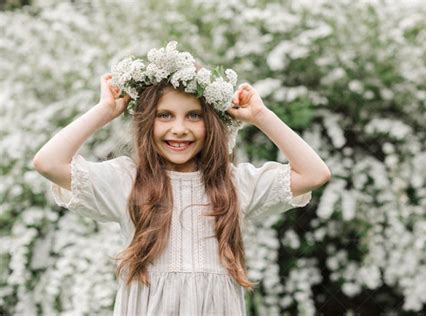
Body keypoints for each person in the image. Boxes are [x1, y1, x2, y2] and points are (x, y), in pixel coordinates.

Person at [33, 41, 331, 316]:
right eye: (165, 115)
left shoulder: (235, 184)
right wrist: (104, 111)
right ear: (147, 122)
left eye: (193, 116)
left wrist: (261, 116)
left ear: (212, 123)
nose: (179, 128)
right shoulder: (127, 181)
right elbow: (48, 162)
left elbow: (315, 173)